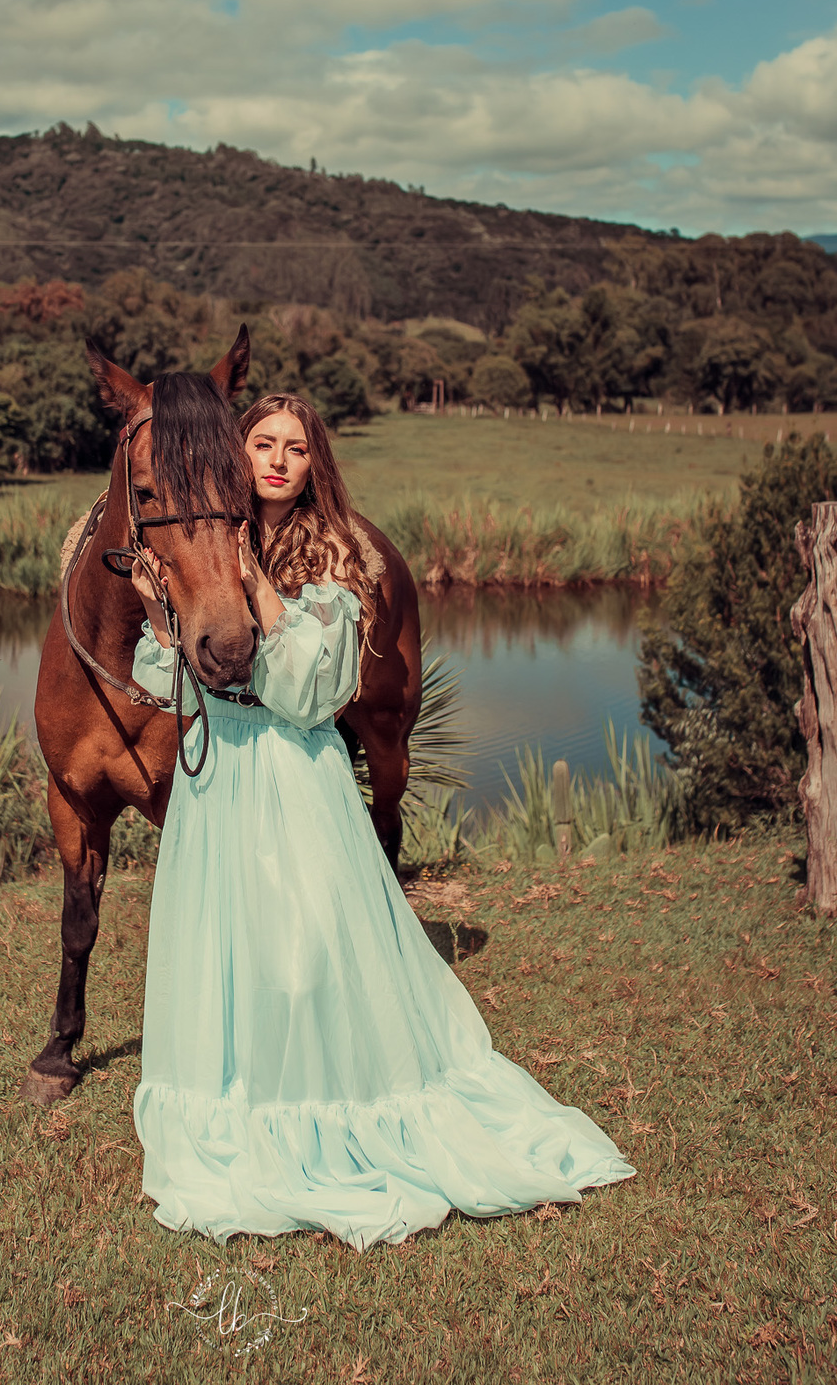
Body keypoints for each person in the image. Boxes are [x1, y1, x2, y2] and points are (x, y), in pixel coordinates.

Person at [129, 391, 632, 1249]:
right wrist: (161, 617)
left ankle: (332, 1116)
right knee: (233, 951)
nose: (278, 460)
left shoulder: (333, 557)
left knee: (304, 954)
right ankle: (240, 1106)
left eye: (296, 446)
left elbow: (312, 693)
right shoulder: (203, 543)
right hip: (221, 786)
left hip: (295, 778)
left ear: (314, 462)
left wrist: (259, 587)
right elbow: (169, 686)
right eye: (262, 442)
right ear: (232, 452)